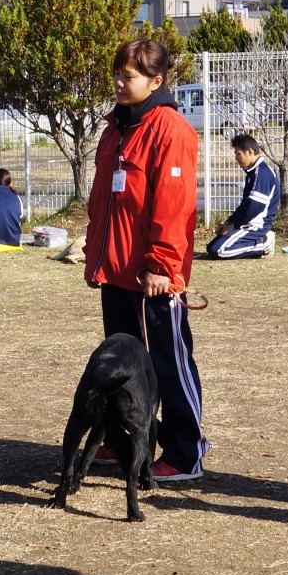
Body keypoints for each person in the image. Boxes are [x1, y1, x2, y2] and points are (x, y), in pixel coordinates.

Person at [83, 38, 207, 482]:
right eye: (116, 72)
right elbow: (106, 200)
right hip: (115, 271)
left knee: (168, 366)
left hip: (153, 277)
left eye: (128, 75)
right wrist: (93, 250)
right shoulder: (114, 128)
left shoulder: (170, 130)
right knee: (120, 366)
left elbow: (174, 207)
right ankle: (122, 442)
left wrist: (162, 264)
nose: (118, 81)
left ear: (157, 80)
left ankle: (185, 451)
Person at [205, 133, 279, 259]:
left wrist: (234, 225)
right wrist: (229, 222)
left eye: (238, 154)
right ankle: (259, 243)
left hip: (256, 226)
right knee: (212, 246)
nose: (236, 158)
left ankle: (263, 245)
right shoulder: (254, 171)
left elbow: (256, 207)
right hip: (246, 224)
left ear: (249, 152)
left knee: (218, 250)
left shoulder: (262, 173)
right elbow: (246, 205)